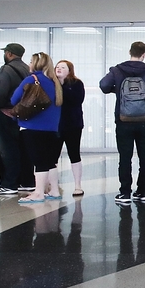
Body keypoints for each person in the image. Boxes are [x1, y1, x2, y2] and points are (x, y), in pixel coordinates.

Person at [99, 41, 145, 206]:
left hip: (124, 120)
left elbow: (104, 85)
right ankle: (142, 192)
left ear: (130, 52)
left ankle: (125, 193)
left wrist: (117, 91)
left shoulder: (117, 70)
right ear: (144, 54)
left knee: (125, 157)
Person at [9, 52, 64, 204]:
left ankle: (38, 193)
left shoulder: (31, 80)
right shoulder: (55, 83)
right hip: (52, 128)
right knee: (49, 161)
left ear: (36, 64)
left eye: (31, 61)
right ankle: (54, 190)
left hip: (32, 126)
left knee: (39, 161)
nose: (29, 64)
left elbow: (14, 99)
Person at [0, 42, 32, 197]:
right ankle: (27, 182)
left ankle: (9, 184)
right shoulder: (27, 69)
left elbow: (0, 92)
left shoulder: (6, 70)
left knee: (8, 149)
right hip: (24, 116)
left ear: (9, 54)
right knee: (24, 149)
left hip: (6, 114)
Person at [54, 59, 86, 197]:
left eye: (63, 67)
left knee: (74, 153)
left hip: (73, 124)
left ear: (69, 70)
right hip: (55, 125)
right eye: (57, 67)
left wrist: (62, 87)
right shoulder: (51, 84)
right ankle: (53, 187)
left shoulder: (76, 84)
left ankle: (78, 185)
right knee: (53, 156)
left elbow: (77, 100)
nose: (59, 69)